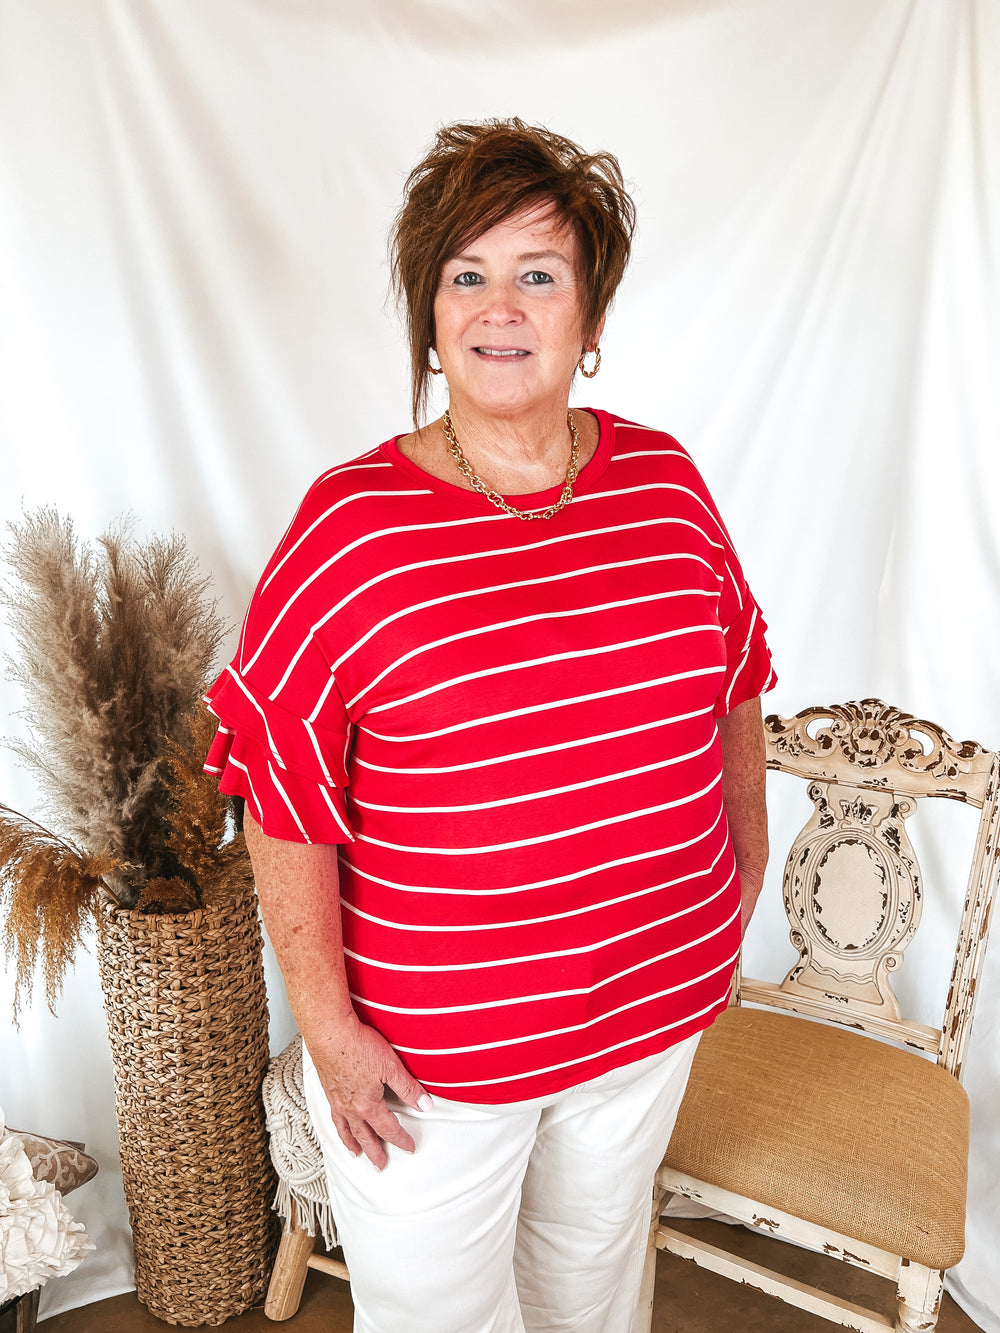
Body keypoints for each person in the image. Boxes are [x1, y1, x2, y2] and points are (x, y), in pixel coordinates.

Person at [205, 118, 775, 1333]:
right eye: (466, 275)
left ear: (592, 313)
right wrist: (327, 1028)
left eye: (538, 274)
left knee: (590, 1287)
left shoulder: (666, 485)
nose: (499, 307)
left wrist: (742, 867)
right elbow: (280, 781)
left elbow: (734, 670)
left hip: (645, 1009)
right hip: (431, 1059)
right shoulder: (348, 530)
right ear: (428, 313)